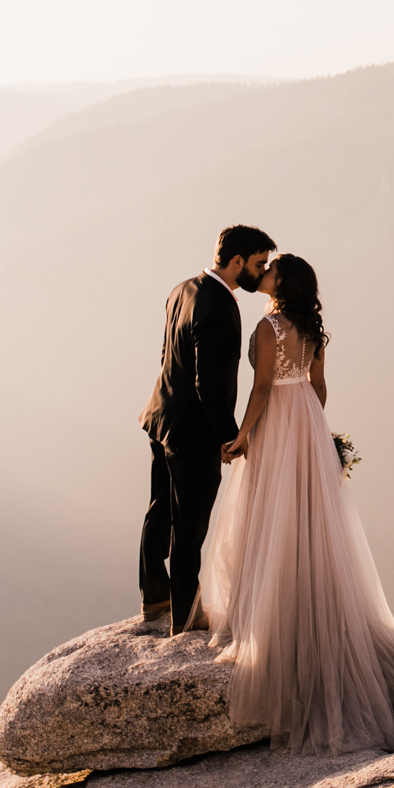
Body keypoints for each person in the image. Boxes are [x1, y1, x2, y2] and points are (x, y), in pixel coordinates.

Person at [200, 253, 394, 753]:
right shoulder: (314, 329)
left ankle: (273, 622)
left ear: (282, 282)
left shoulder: (267, 327)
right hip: (308, 424)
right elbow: (318, 387)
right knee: (310, 520)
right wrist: (316, 438)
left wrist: (243, 436)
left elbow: (259, 389)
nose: (266, 273)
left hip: (277, 422)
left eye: (272, 270)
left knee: (268, 516)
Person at [138, 224, 276, 634]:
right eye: (258, 264)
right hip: (193, 433)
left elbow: (167, 354)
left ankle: (154, 595)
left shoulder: (183, 289)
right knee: (190, 523)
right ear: (237, 262)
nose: (260, 271)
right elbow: (210, 384)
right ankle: (186, 613)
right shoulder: (218, 306)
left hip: (161, 416)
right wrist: (228, 437)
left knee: (158, 510)